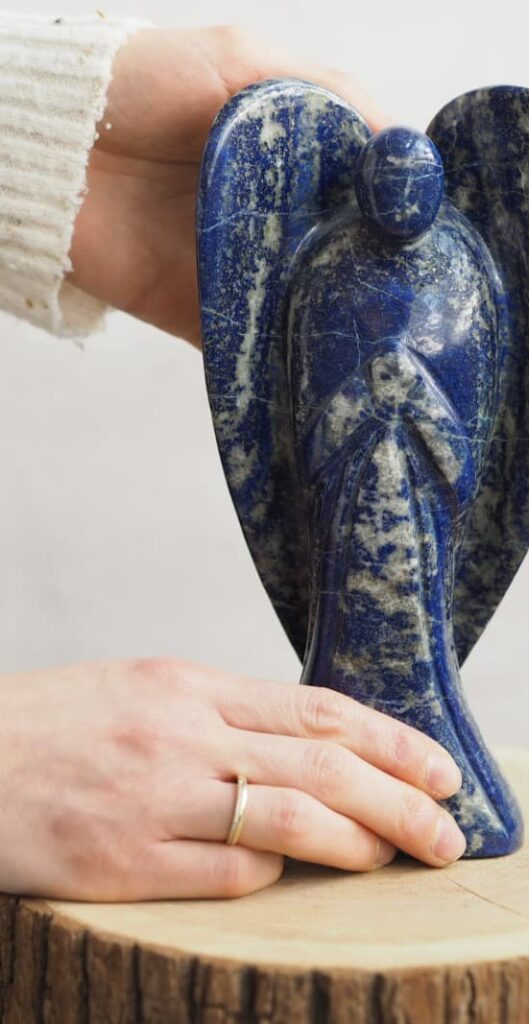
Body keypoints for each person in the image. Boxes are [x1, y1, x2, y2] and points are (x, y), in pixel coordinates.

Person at [0, 14, 467, 902]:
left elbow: (464, 439)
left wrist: (67, 146)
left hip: (411, 505)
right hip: (349, 497)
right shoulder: (328, 274)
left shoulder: (456, 283)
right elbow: (310, 421)